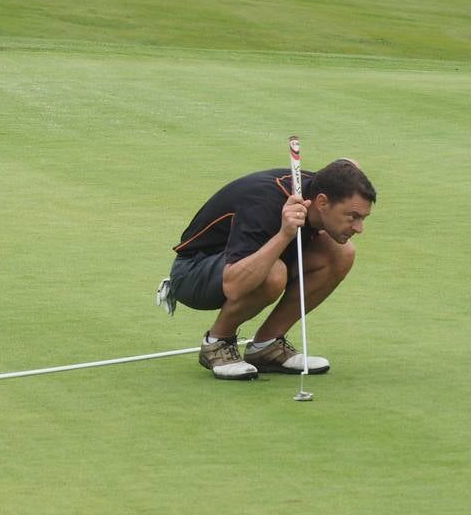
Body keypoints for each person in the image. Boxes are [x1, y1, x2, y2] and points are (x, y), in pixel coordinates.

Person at [156, 158, 376, 381]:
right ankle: (217, 343)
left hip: (240, 262)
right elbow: (233, 285)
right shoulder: (262, 203)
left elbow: (344, 167)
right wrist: (284, 234)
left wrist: (348, 168)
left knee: (341, 253)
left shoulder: (319, 188)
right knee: (273, 273)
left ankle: (267, 347)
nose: (359, 228)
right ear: (322, 202)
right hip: (194, 272)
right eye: (353, 217)